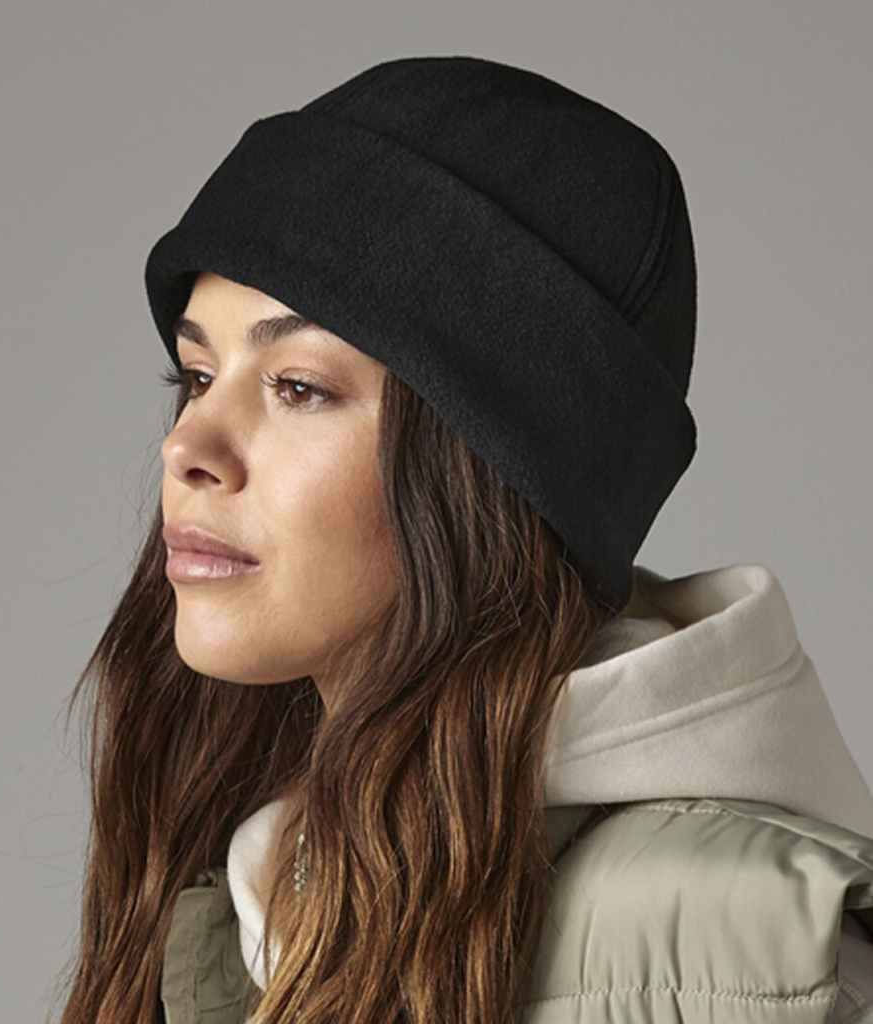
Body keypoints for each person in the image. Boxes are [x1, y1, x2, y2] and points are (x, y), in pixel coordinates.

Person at [55, 56, 873, 1024]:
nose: (187, 447)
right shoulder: (248, 896)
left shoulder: (752, 949)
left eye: (298, 387)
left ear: (488, 472)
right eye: (196, 376)